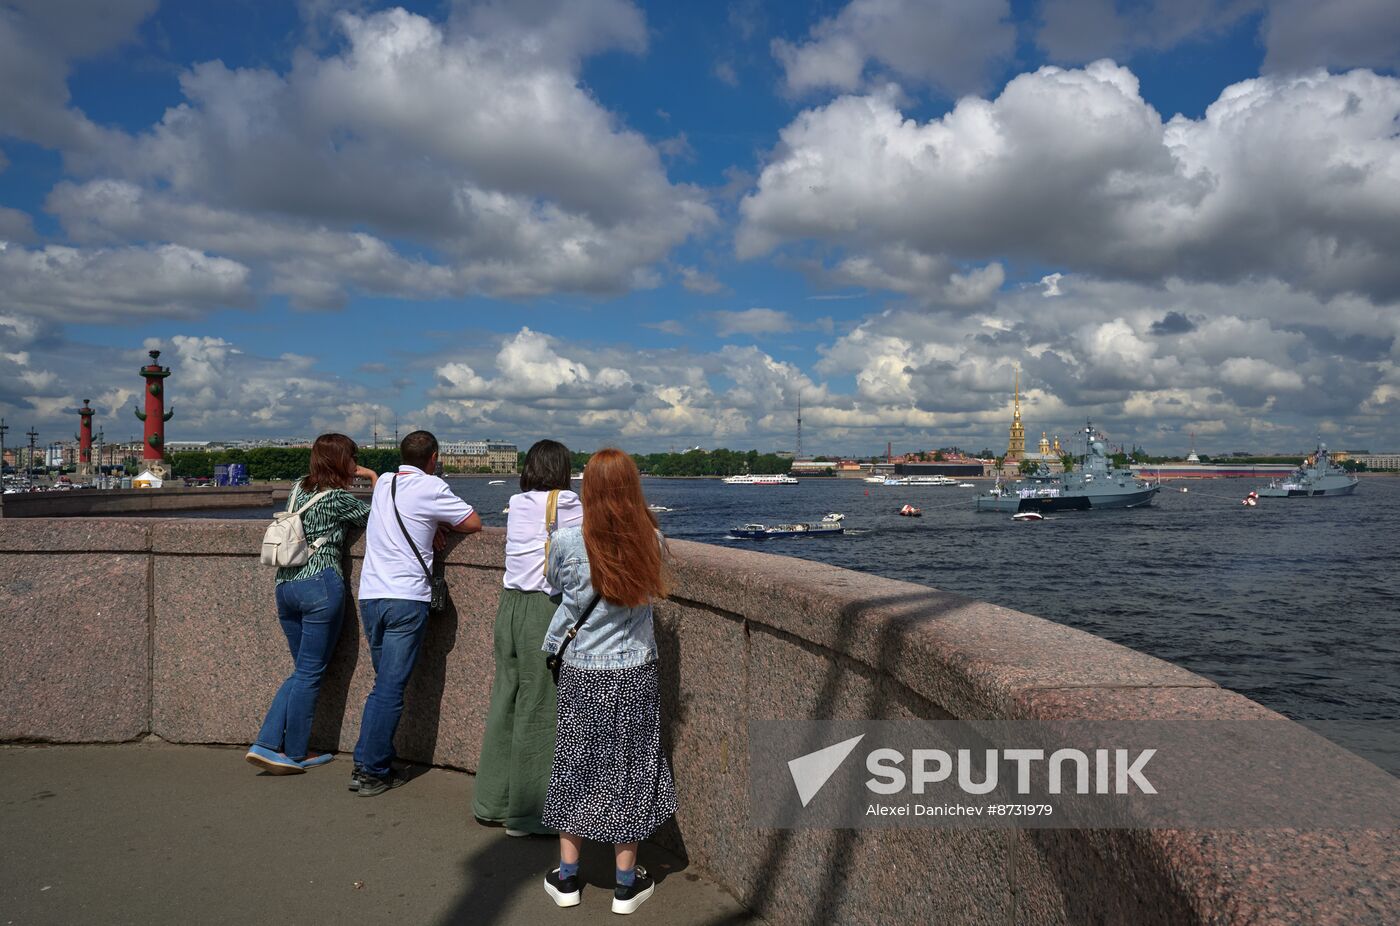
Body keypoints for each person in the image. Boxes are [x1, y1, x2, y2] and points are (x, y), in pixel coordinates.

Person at [539, 448, 676, 916]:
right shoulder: (651, 540)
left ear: (589, 489)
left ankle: (568, 877)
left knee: (574, 763)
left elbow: (555, 588)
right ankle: (624, 885)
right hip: (634, 673)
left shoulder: (566, 541)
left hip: (581, 670)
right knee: (632, 768)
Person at [352, 430, 482, 796]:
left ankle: (368, 758)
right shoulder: (433, 488)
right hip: (406, 599)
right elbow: (473, 522)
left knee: (383, 685)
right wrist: (439, 522)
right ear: (434, 457)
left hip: (371, 596)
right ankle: (371, 770)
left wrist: (431, 522)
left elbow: (386, 493)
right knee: (390, 688)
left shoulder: (385, 484)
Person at [246, 433, 378, 775]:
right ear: (341, 461)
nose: (355, 463)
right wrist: (374, 478)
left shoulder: (296, 488)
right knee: (308, 672)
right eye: (352, 457)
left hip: (285, 586)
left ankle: (283, 747)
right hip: (319, 586)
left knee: (302, 670)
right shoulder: (337, 499)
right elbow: (381, 518)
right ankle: (279, 747)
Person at [474, 440, 582, 836]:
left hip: (509, 607)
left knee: (507, 697)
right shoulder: (567, 503)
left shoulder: (519, 503)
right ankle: (528, 814)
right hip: (542, 610)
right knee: (540, 705)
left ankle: (492, 801)